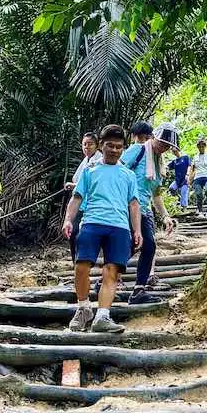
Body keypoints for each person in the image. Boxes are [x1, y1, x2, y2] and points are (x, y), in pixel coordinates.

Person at [63, 125, 142, 334]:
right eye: (110, 146)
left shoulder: (128, 174)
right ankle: (83, 309)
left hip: (119, 226)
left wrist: (137, 230)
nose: (114, 150)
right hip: (91, 223)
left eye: (118, 147)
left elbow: (134, 203)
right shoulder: (90, 171)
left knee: (111, 271)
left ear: (123, 148)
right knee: (81, 265)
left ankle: (103, 316)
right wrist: (68, 220)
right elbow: (77, 197)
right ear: (102, 145)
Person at [122, 122, 178, 304]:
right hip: (126, 206)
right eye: (161, 143)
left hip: (144, 209)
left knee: (145, 246)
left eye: (167, 146)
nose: (163, 147)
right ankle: (113, 279)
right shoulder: (137, 151)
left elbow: (156, 194)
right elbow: (117, 171)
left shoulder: (158, 162)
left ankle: (137, 289)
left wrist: (166, 216)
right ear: (153, 137)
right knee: (143, 245)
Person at [64, 132, 102, 266]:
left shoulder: (99, 160)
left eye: (90, 144)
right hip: (80, 203)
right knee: (73, 233)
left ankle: (86, 262)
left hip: (93, 205)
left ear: (97, 146)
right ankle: (77, 263)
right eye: (84, 144)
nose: (87, 147)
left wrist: (73, 185)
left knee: (83, 234)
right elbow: (79, 180)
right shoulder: (86, 160)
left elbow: (93, 182)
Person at [188, 137, 207, 217]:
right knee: (199, 194)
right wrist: (189, 180)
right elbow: (192, 170)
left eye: (202, 146)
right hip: (198, 178)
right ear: (197, 147)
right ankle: (200, 212)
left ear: (205, 147)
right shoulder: (195, 157)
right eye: (199, 146)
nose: (201, 148)